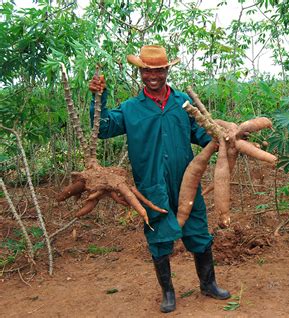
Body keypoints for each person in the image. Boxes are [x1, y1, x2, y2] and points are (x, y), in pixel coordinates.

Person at [88, 45, 230, 313]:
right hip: (152, 185)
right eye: (147, 71)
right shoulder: (131, 109)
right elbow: (103, 127)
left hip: (187, 182)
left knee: (198, 232)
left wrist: (225, 140)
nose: (153, 76)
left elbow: (200, 136)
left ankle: (208, 284)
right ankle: (168, 293)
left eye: (158, 70)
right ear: (141, 72)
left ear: (167, 70)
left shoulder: (181, 104)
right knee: (159, 239)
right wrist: (99, 97)